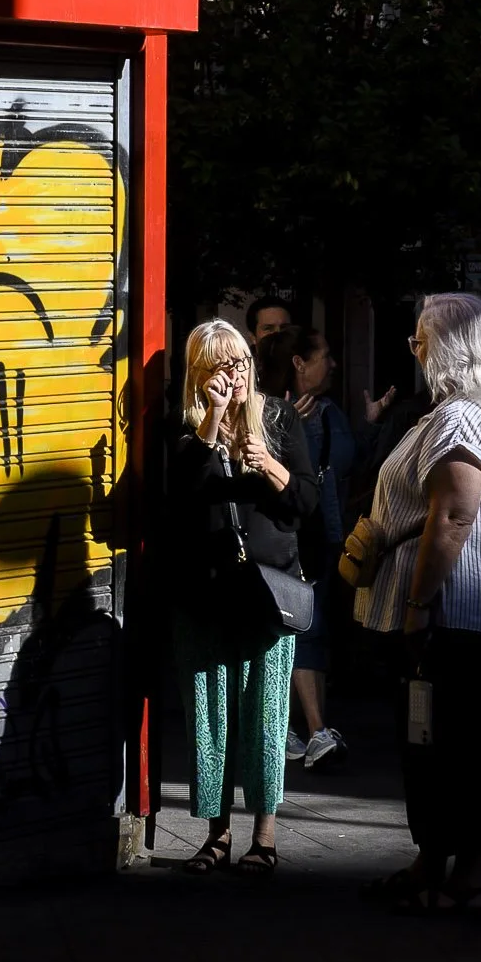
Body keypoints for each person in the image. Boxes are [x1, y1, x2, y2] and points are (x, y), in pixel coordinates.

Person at [342, 294, 481, 915]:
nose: (415, 351)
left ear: (446, 348)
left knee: (439, 742)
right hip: (462, 617)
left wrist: (418, 606)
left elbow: (452, 516)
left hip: (447, 618)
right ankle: (440, 863)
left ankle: (454, 870)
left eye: (419, 340)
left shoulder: (459, 420)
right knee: (448, 741)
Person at [168, 320, 317, 875]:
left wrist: (270, 466)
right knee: (210, 718)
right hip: (204, 595)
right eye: (221, 366)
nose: (234, 375)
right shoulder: (186, 427)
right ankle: (217, 835)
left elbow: (305, 503)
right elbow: (181, 495)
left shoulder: (278, 418)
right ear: (199, 374)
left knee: (266, 717)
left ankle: (265, 836)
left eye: (241, 363)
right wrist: (211, 421)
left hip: (267, 593)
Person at [256, 326, 393, 768]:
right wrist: (283, 430)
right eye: (325, 356)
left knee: (314, 631)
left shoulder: (330, 411)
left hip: (331, 538)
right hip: (291, 538)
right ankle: (310, 730)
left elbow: (353, 466)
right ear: (299, 363)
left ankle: (294, 728)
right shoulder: (269, 411)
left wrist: (369, 425)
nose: (333, 364)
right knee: (301, 629)